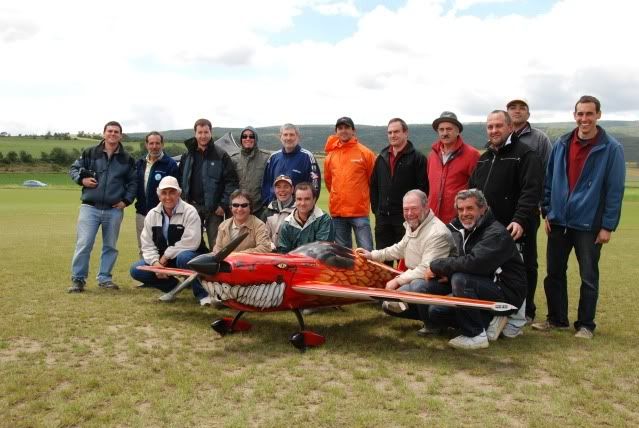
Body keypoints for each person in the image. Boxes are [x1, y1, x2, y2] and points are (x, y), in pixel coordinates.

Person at [533, 95, 625, 339]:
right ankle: (556, 319)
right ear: (575, 116)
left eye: (589, 114)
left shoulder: (611, 148)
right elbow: (549, 180)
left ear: (598, 115)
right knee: (554, 273)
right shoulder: (562, 143)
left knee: (588, 276)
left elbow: (615, 190)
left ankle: (585, 325)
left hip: (589, 224)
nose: (584, 119)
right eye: (580, 114)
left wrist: (607, 226)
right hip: (559, 221)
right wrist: (547, 211)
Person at [421, 189, 526, 350]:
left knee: (461, 279)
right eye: (461, 209)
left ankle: (476, 334)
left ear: (483, 209)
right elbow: (470, 264)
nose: (464, 213)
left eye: (470, 208)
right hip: (486, 284)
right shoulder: (469, 230)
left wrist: (436, 266)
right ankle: (490, 320)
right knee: (436, 311)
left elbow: (474, 263)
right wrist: (447, 275)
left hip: (507, 292)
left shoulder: (496, 232)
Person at [356, 189, 453, 331]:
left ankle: (435, 323)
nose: (409, 214)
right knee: (388, 305)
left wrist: (397, 280)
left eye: (414, 209)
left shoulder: (437, 233)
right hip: (419, 278)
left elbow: (426, 269)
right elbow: (399, 249)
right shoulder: (414, 224)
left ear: (426, 207)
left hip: (440, 281)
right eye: (405, 209)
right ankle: (432, 317)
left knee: (415, 287)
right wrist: (372, 255)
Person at [68, 121, 136, 292]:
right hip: (90, 207)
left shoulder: (127, 159)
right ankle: (78, 279)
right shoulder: (90, 153)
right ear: (104, 133)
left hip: (114, 209)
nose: (113, 134)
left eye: (116, 132)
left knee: (110, 246)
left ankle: (105, 278)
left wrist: (126, 201)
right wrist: (81, 180)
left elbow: (133, 183)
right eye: (110, 131)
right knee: (84, 244)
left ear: (121, 135)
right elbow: (74, 169)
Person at [506, 99, 553, 324]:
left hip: (528, 211)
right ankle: (508, 307)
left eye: (521, 108)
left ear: (528, 113)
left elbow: (548, 174)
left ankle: (529, 309)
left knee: (527, 262)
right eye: (512, 108)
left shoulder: (539, 139)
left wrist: (545, 207)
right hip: (503, 211)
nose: (517, 111)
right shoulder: (500, 137)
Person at [129, 176, 206, 293]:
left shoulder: (190, 211)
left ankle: (202, 294)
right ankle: (173, 287)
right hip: (163, 260)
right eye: (164, 193)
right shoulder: (152, 214)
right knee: (136, 269)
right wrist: (156, 264)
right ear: (159, 195)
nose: (168, 197)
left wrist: (166, 256)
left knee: (184, 257)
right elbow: (147, 245)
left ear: (178, 194)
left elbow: (191, 242)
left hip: (190, 256)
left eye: (172, 193)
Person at [370, 118, 428, 260]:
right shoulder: (381, 158)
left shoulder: (417, 158)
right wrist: (377, 211)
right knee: (382, 261)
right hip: (383, 219)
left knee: (405, 260)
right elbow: (374, 185)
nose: (392, 135)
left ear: (405, 133)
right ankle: (384, 284)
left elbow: (423, 189)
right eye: (389, 132)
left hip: (406, 219)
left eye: (396, 131)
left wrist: (414, 214)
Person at [178, 118, 238, 248]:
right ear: (195, 133)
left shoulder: (221, 155)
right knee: (193, 245)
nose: (203, 136)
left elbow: (231, 182)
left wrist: (223, 204)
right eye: (200, 132)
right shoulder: (187, 156)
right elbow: (181, 181)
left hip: (214, 210)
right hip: (192, 208)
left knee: (216, 245)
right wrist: (184, 202)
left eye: (206, 132)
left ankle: (216, 269)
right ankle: (197, 269)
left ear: (211, 132)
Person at [324, 117, 376, 250]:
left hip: (359, 212)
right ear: (336, 131)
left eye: (347, 127)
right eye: (340, 128)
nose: (343, 131)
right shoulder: (331, 156)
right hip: (338, 213)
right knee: (343, 255)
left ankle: (368, 272)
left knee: (366, 252)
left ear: (353, 130)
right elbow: (329, 182)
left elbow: (374, 181)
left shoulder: (366, 153)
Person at [427, 111, 480, 224]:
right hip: (433, 220)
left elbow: (478, 189)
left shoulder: (472, 155)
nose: (445, 133)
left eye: (449, 129)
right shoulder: (432, 156)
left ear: (457, 131)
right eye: (441, 129)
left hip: (459, 220)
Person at [134, 131, 179, 257]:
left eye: (157, 143)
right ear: (146, 144)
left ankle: (164, 275)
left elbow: (176, 190)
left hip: (163, 214)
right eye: (151, 143)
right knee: (144, 249)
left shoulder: (170, 164)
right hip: (142, 213)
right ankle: (146, 276)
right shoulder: (140, 163)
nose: (154, 146)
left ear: (162, 144)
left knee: (163, 249)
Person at [261, 123, 321, 204]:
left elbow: (315, 186)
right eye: (285, 135)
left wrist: (306, 208)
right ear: (280, 137)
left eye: (292, 135)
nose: (288, 138)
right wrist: (268, 203)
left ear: (298, 137)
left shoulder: (307, 157)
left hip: (298, 210)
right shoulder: (273, 157)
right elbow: (266, 184)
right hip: (275, 211)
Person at [277, 182, 335, 253]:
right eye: (299, 199)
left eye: (307, 199)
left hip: (317, 263)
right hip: (294, 263)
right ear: (295, 200)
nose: (302, 203)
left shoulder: (324, 220)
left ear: (314, 200)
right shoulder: (286, 224)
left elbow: (322, 251)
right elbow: (283, 254)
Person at [230, 126, 270, 219]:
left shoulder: (266, 158)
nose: (248, 139)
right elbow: (229, 184)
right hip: (239, 210)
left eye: (251, 136)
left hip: (260, 210)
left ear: (255, 139)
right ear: (241, 139)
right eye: (244, 136)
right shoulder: (233, 159)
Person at [261, 174, 295, 250]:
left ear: (292, 189)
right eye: (278, 187)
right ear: (274, 190)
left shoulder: (299, 210)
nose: (282, 190)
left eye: (286, 186)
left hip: (292, 255)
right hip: (271, 254)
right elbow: (262, 235)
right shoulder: (267, 211)